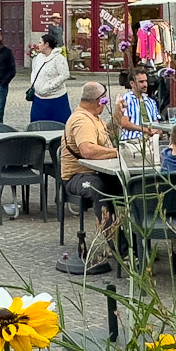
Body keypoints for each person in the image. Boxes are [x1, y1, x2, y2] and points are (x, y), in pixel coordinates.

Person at [60, 81, 124, 248]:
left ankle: (135, 241)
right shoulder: (82, 121)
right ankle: (119, 246)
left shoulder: (94, 118)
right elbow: (87, 150)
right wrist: (119, 153)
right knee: (98, 189)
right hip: (77, 176)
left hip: (99, 172)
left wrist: (117, 115)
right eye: (105, 100)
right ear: (99, 100)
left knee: (129, 186)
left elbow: (108, 137)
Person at [27, 29, 72, 124]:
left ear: (46, 44)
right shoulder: (38, 57)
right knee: (38, 123)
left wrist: (48, 87)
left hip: (56, 99)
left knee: (58, 124)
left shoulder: (59, 58)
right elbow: (34, 71)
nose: (38, 45)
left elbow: (64, 75)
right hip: (39, 98)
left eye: (40, 42)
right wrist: (34, 84)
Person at [113, 69, 166, 144]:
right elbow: (124, 123)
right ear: (132, 83)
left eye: (146, 81)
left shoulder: (151, 101)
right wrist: (146, 130)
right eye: (141, 82)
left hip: (150, 138)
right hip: (133, 139)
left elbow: (155, 123)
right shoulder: (126, 99)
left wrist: (158, 131)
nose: (145, 85)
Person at [0, 28, 19, 121]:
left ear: (1, 37)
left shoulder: (6, 52)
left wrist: (4, 82)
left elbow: (12, 70)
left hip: (0, 86)